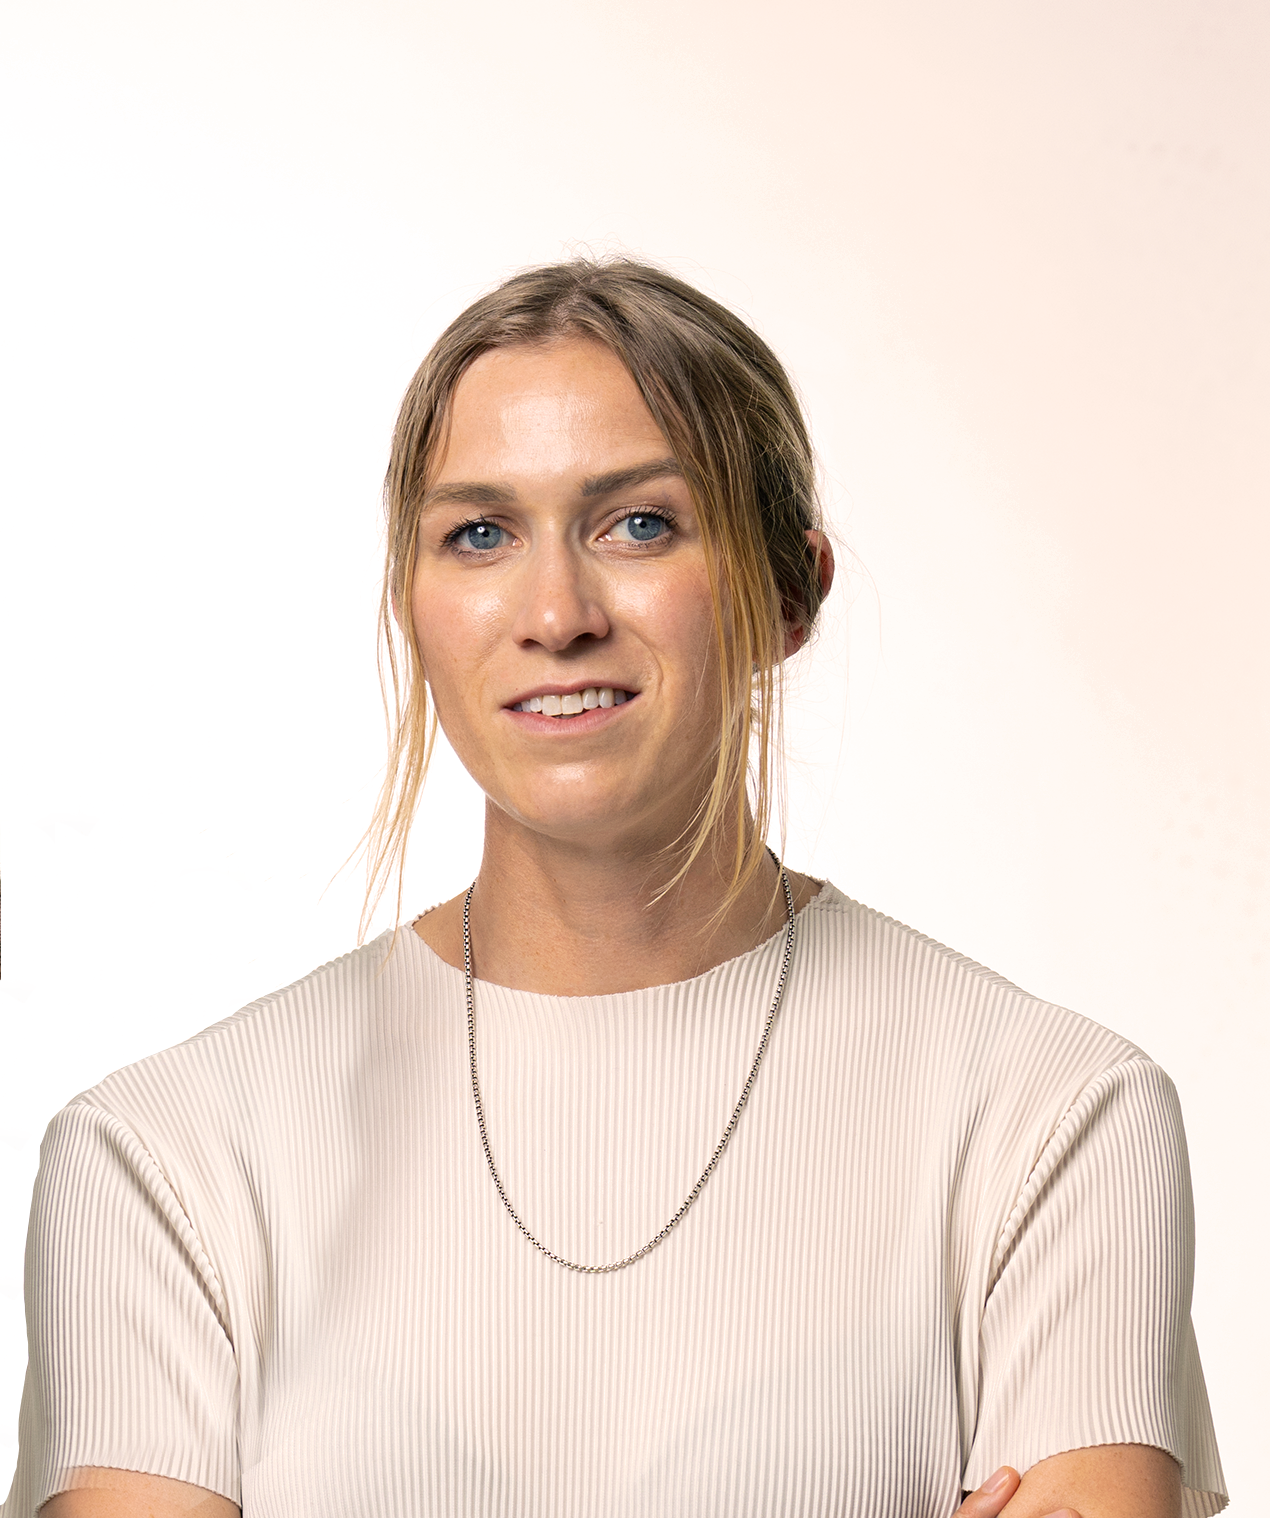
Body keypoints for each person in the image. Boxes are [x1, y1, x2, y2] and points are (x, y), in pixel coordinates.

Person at [3, 261, 1225, 1518]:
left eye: (639, 523)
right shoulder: (163, 1160)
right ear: (414, 606)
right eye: (479, 534)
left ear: (789, 592)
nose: (553, 612)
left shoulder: (1055, 1123)